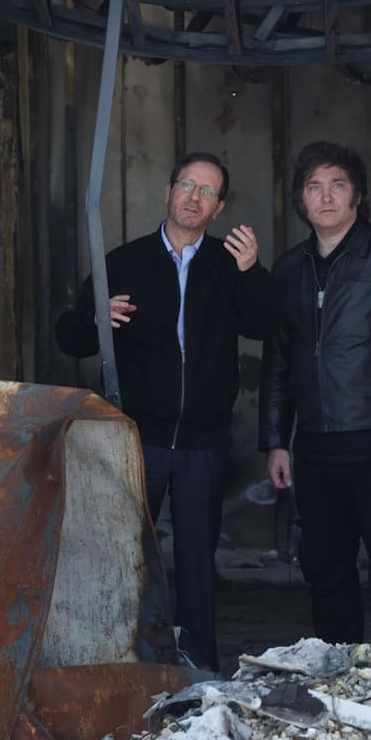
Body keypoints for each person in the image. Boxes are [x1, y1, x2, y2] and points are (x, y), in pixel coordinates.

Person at [56, 151, 276, 671]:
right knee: (129, 555)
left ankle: (200, 665)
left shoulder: (230, 264)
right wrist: (94, 320)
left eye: (207, 191)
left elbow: (267, 325)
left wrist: (251, 272)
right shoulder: (125, 262)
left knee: (199, 560)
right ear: (168, 192)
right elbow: (69, 336)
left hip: (203, 442)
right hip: (139, 438)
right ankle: (128, 660)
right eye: (186, 185)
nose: (193, 197)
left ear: (218, 207)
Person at [259, 140, 371, 657]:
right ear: (301, 201)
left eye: (337, 185)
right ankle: (340, 675)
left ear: (357, 194)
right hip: (314, 446)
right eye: (314, 187)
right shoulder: (290, 270)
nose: (326, 197)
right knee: (325, 568)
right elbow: (279, 362)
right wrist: (275, 440)